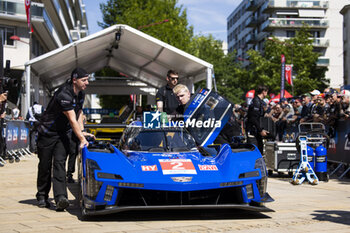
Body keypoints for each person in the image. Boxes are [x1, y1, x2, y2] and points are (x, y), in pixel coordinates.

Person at [35, 67, 90, 211]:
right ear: (74, 80)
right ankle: (42, 195)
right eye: (84, 80)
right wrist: (82, 140)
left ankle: (60, 198)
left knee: (59, 163)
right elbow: (72, 119)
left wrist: (82, 132)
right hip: (47, 133)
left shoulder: (81, 94)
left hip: (62, 134)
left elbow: (79, 114)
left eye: (88, 79)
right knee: (45, 166)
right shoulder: (64, 93)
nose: (87, 82)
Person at [246, 85, 269, 154]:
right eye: (266, 92)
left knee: (260, 150)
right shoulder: (256, 101)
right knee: (254, 151)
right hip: (253, 130)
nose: (267, 94)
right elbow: (253, 118)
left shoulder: (260, 102)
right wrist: (260, 130)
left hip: (257, 130)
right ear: (263, 92)